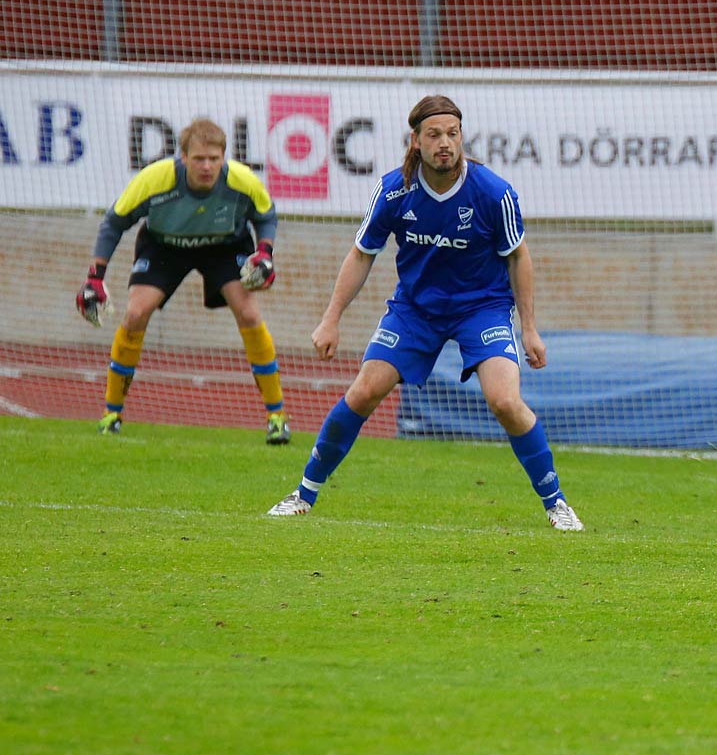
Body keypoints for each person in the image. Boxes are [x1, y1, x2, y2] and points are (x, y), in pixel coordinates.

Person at [267, 95, 582, 531]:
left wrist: (529, 329)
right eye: (434, 135)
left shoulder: (494, 193)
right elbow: (362, 254)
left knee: (506, 401)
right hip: (415, 310)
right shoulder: (394, 190)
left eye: (452, 134)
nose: (445, 143)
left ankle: (557, 504)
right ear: (415, 140)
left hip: (482, 308)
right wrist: (331, 317)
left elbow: (518, 257)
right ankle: (303, 494)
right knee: (363, 392)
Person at [78, 117, 289, 443]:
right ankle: (112, 414)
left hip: (224, 245)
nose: (207, 166)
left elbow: (266, 214)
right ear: (183, 157)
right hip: (165, 246)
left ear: (224, 158)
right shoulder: (155, 179)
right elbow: (114, 223)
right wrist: (95, 277)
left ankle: (277, 418)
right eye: (199, 159)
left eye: (214, 159)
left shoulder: (242, 180)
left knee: (249, 313)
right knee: (135, 314)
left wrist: (265, 252)